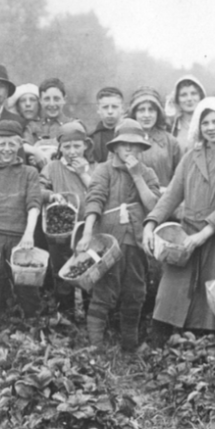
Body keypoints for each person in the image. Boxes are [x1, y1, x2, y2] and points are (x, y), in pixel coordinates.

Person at [141, 97, 215, 340]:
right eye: (205, 122)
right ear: (198, 126)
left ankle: (209, 350)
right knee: (170, 291)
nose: (210, 127)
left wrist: (204, 233)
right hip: (185, 234)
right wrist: (151, 223)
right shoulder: (191, 156)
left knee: (211, 299)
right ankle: (159, 346)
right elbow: (172, 195)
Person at [76, 119, 162, 351]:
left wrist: (136, 176)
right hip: (108, 242)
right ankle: (95, 344)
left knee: (135, 292)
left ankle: (129, 344)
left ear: (142, 149)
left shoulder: (147, 173)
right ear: (114, 147)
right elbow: (94, 199)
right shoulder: (104, 170)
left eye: (135, 146)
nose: (129, 150)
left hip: (136, 242)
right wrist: (87, 233)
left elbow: (154, 205)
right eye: (124, 145)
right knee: (104, 291)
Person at [0, 119, 44, 336]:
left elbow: (34, 203)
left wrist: (29, 233)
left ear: (20, 144)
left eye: (12, 144)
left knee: (28, 289)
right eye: (2, 144)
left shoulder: (30, 173)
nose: (7, 149)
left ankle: (33, 336)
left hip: (21, 239)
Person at [38, 120, 94, 320]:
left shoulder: (94, 168)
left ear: (85, 146)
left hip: (88, 230)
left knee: (89, 272)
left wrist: (83, 174)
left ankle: (91, 318)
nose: (72, 151)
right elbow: (37, 189)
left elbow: (99, 192)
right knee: (62, 274)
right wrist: (51, 195)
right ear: (60, 148)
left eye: (77, 146)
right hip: (59, 231)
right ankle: (66, 319)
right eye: (67, 147)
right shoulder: (52, 167)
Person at [128, 86, 184, 187]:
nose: (146, 115)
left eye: (151, 110)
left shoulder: (171, 142)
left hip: (164, 199)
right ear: (134, 113)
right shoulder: (124, 139)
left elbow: (181, 176)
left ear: (158, 113)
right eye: (141, 110)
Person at [87, 87, 125, 163]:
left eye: (114, 107)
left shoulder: (130, 134)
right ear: (98, 109)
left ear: (122, 108)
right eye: (105, 107)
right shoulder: (91, 139)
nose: (110, 111)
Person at [167, 75, 206, 149]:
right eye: (183, 95)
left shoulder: (209, 123)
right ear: (177, 99)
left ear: (200, 96)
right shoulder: (171, 126)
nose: (189, 99)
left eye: (193, 93)